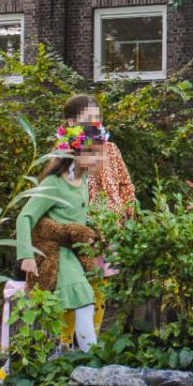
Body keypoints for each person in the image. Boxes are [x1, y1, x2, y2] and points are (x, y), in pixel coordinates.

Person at [15, 124, 105, 350]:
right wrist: (26, 257)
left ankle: (9, 371)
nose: (98, 159)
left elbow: (79, 217)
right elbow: (24, 217)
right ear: (77, 153)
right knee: (84, 302)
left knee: (43, 319)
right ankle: (91, 363)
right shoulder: (54, 184)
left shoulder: (82, 181)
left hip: (71, 255)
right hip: (55, 256)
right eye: (93, 153)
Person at [59, 94, 134, 342]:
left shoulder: (110, 150)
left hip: (107, 230)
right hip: (77, 231)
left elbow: (125, 184)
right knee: (75, 290)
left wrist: (123, 213)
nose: (95, 123)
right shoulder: (63, 152)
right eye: (88, 119)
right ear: (71, 123)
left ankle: (90, 347)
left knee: (99, 288)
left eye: (97, 118)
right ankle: (66, 344)